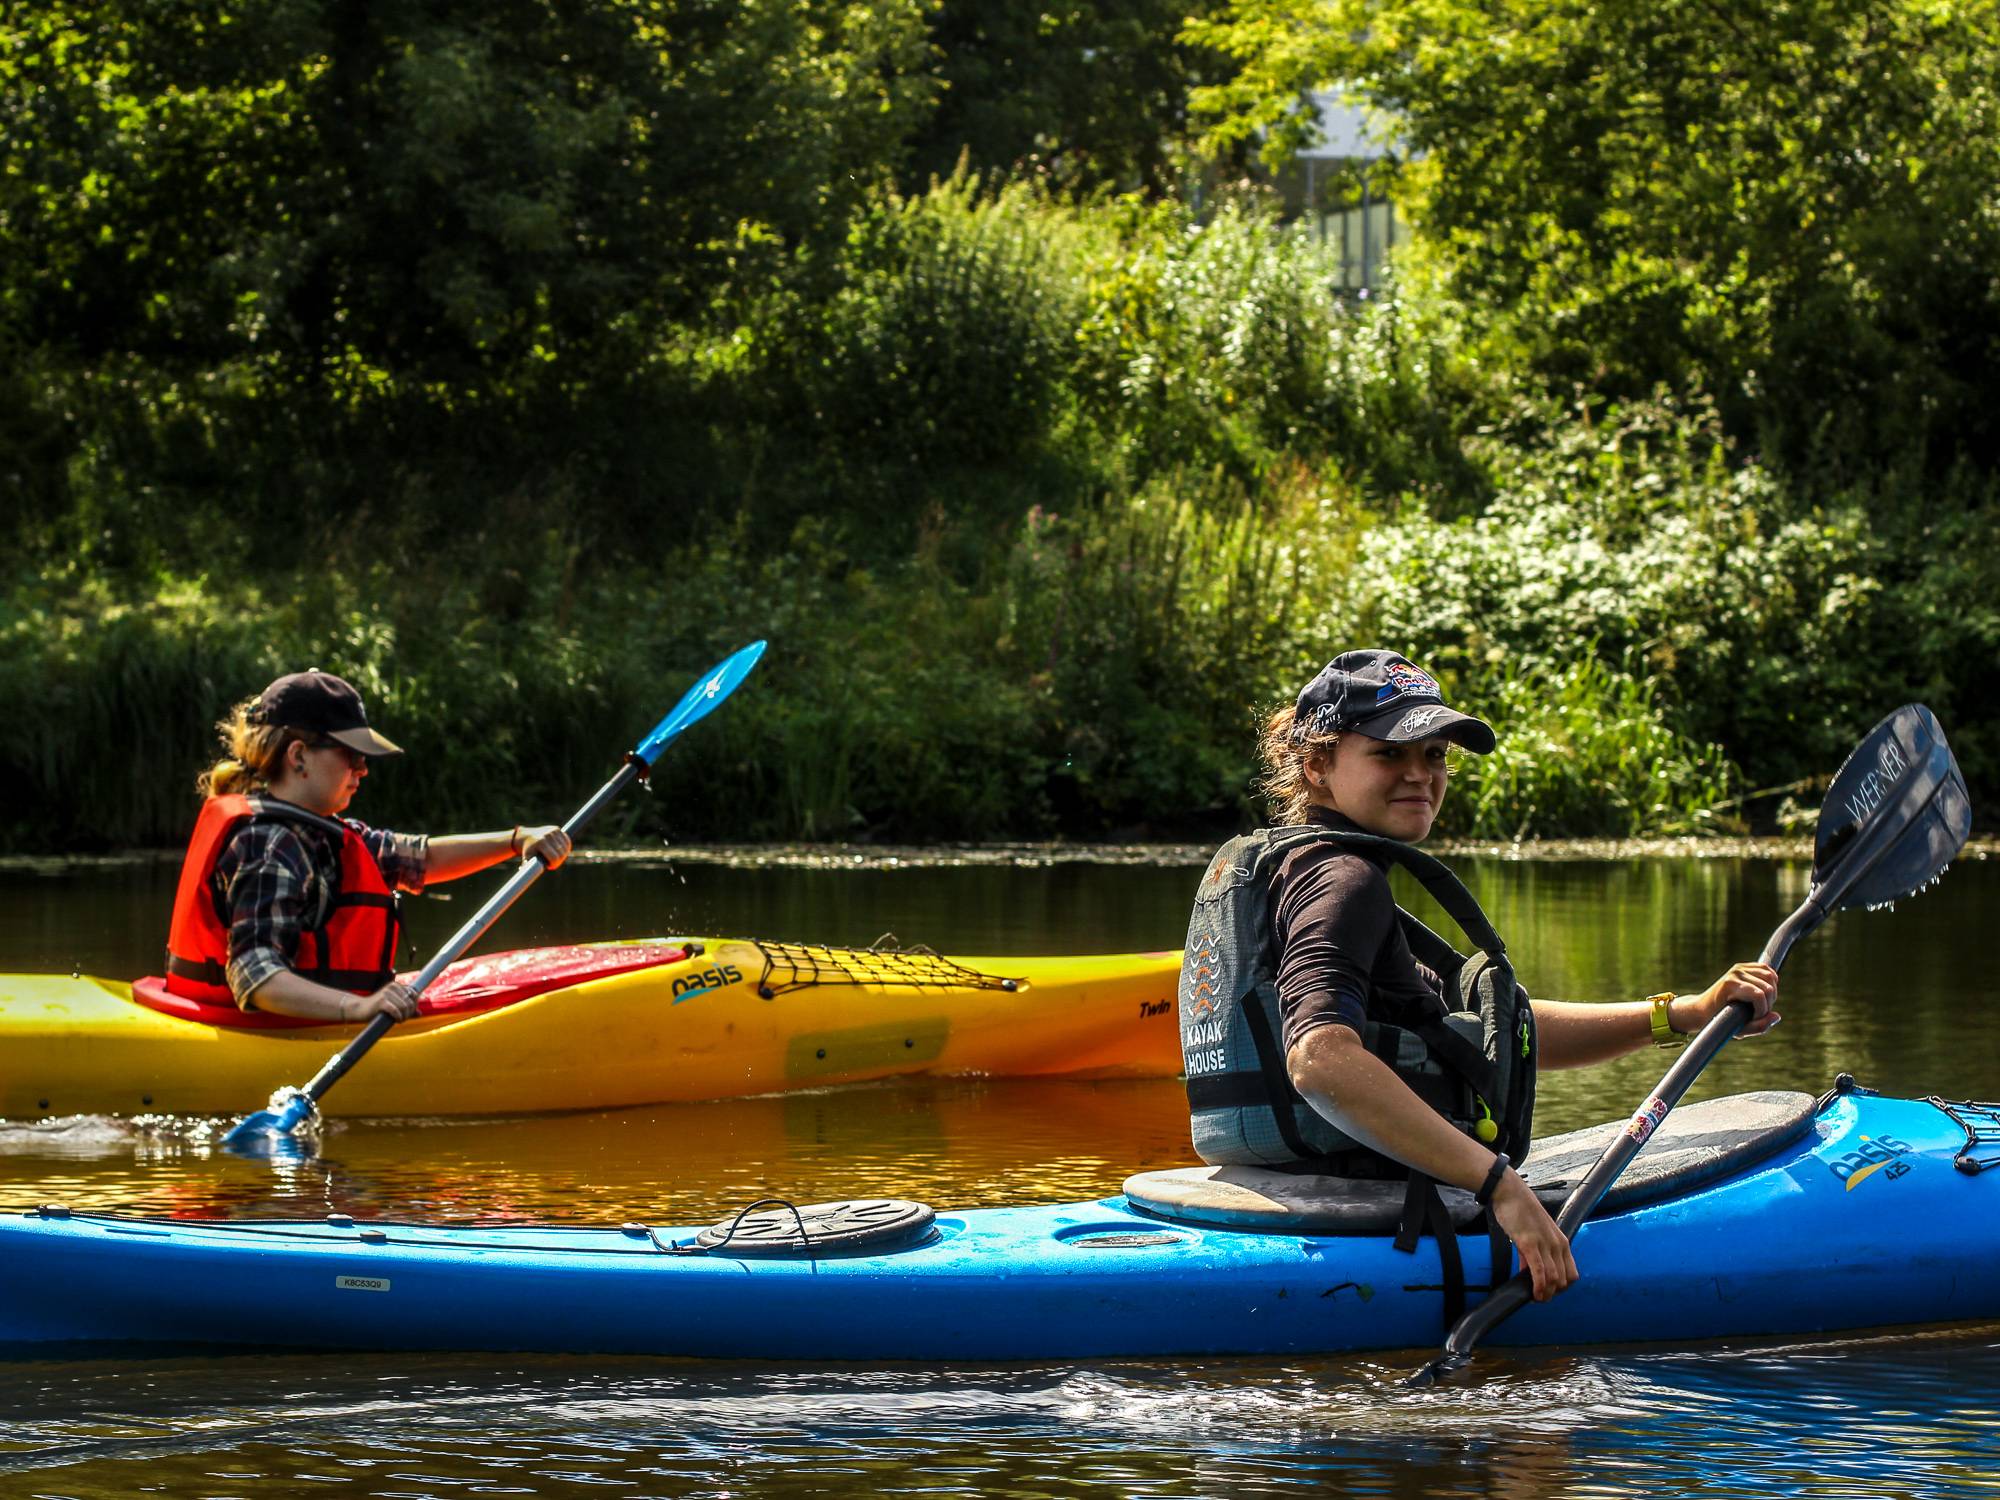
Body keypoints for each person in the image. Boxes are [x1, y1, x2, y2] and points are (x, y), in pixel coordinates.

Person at [1180, 649, 1779, 1305]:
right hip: (1367, 1217)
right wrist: (1501, 1187)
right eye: (1389, 755)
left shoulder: (1299, 868)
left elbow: (1479, 1044)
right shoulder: (1343, 880)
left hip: (1281, 1185)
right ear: (1317, 764)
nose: (1420, 776)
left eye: (1434, 756)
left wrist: (1679, 1015)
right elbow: (1320, 1061)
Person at [163, 669, 573, 1024]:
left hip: (319, 1018)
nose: (363, 769)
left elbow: (421, 859)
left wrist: (516, 840)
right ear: (299, 756)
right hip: (258, 1028)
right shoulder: (269, 844)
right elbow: (256, 975)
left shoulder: (323, 831)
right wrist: (355, 1009)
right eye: (350, 754)